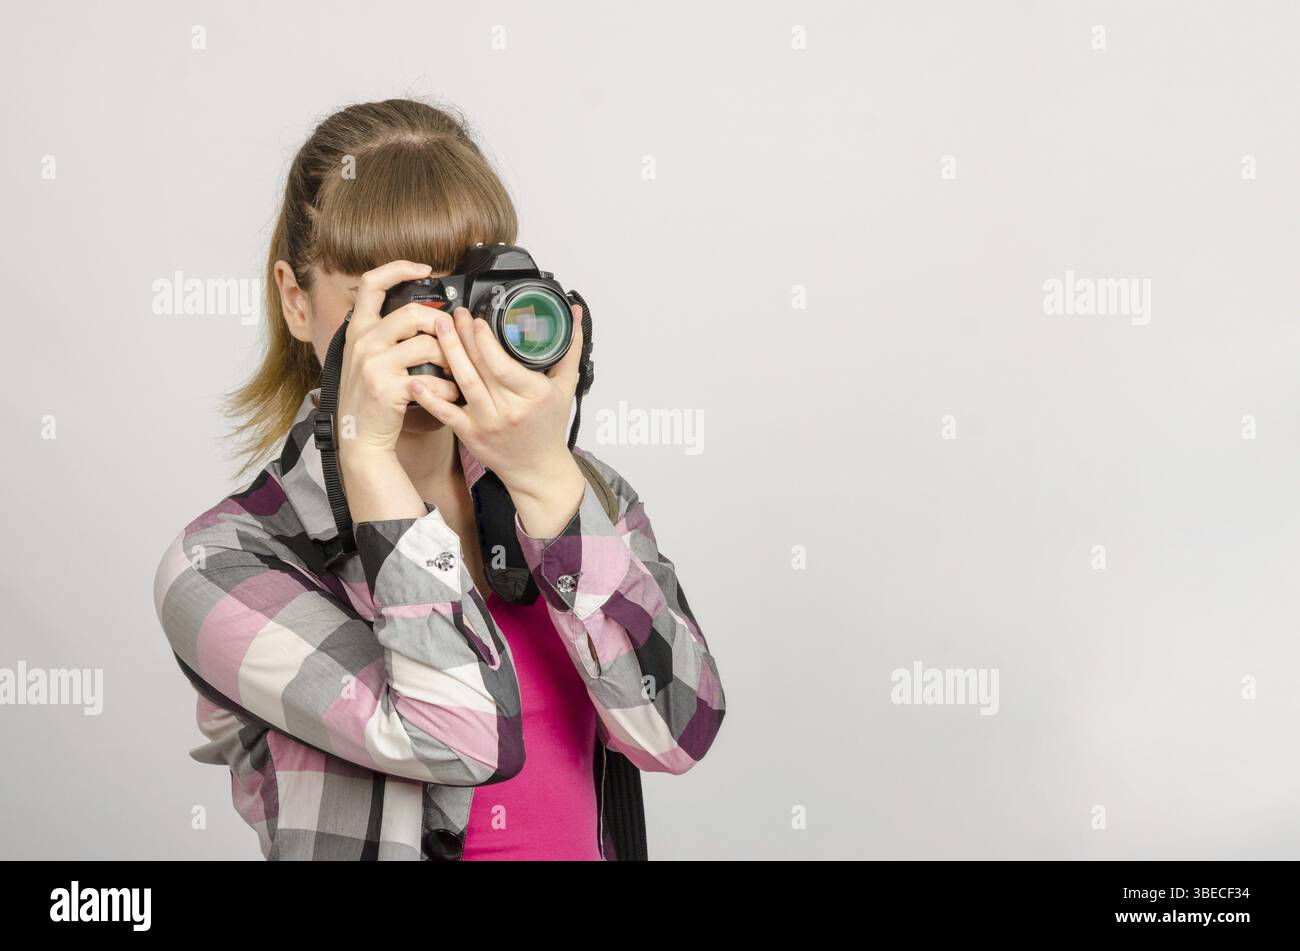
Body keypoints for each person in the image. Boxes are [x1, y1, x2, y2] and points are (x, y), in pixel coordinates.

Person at [151, 98, 726, 860]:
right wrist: (367, 462)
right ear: (297, 299)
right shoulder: (224, 563)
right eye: (393, 298)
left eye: (461, 292)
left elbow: (677, 733)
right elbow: (461, 738)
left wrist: (549, 484)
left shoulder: (574, 489)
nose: (433, 334)